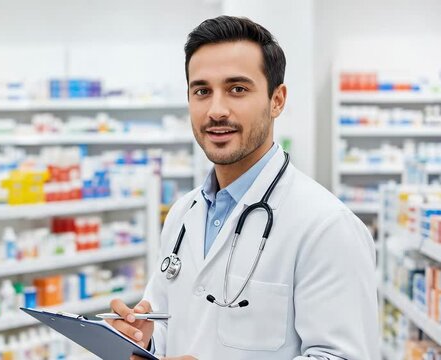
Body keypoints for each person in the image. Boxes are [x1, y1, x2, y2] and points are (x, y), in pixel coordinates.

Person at [107, 15, 379, 359]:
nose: (216, 110)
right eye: (202, 91)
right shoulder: (182, 214)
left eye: (237, 89)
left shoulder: (327, 226)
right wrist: (145, 340)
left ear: (276, 100)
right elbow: (176, 324)